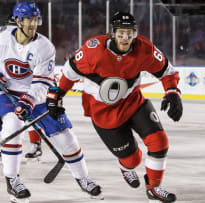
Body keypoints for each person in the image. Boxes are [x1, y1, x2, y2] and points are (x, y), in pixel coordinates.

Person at [46, 11, 182, 203]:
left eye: (129, 33)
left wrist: (172, 91)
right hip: (105, 114)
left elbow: (167, 71)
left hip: (134, 103)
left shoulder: (144, 49)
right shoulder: (94, 50)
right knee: (132, 159)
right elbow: (70, 71)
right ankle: (126, 167)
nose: (125, 38)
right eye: (121, 33)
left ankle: (154, 188)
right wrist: (56, 94)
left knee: (159, 141)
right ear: (112, 33)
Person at [0, 2, 102, 202]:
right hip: (7, 93)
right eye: (28, 20)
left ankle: (83, 179)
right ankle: (12, 180)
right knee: (12, 126)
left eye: (35, 20)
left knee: (66, 138)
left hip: (37, 96)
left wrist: (28, 101)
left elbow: (42, 82)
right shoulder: (0, 36)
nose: (33, 24)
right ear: (18, 21)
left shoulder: (44, 46)